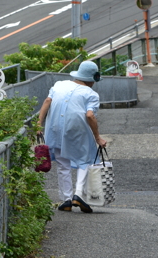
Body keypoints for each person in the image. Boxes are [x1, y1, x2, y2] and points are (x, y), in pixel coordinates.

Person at [37, 60, 108, 213]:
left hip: (54, 129)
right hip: (76, 129)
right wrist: (97, 138)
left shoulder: (59, 84)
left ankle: (66, 200)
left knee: (63, 163)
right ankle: (78, 194)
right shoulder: (91, 94)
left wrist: (38, 124)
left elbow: (47, 101)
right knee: (86, 159)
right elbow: (90, 115)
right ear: (92, 79)